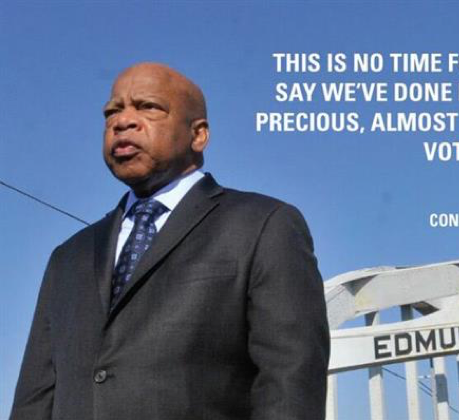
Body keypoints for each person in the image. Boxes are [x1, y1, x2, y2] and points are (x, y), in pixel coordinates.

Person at [10, 62, 330, 420]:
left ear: (199, 135)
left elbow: (290, 382)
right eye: (112, 112)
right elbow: (34, 398)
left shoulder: (263, 225)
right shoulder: (68, 257)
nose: (122, 121)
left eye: (148, 107)